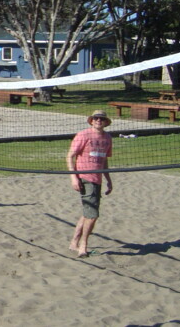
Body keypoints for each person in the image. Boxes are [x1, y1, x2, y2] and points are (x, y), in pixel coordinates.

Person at [67, 109, 113, 258]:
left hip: (97, 178)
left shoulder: (107, 138)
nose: (98, 120)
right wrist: (73, 177)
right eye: (96, 118)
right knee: (93, 215)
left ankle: (74, 242)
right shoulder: (83, 135)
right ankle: (83, 246)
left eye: (101, 119)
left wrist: (109, 180)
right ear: (92, 121)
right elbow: (70, 156)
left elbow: (104, 160)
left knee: (87, 212)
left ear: (106, 122)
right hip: (85, 177)